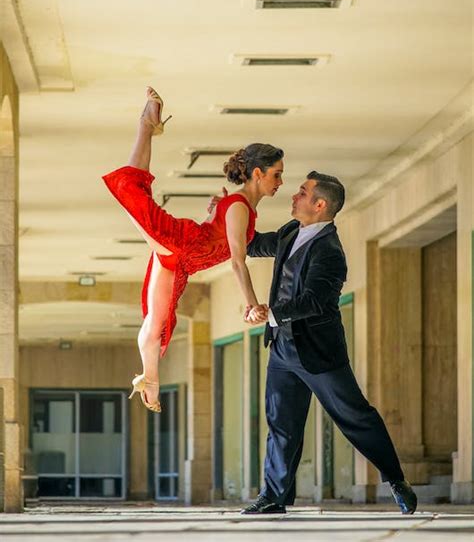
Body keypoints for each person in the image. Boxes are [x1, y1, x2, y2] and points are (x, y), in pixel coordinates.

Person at [214, 171, 417, 515]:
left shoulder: (331, 252)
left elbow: (314, 302)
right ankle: (274, 496)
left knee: (355, 416)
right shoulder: (291, 231)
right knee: (282, 423)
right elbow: (250, 243)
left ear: (320, 204)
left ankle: (396, 480)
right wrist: (226, 214)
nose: (294, 195)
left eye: (302, 192)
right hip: (282, 349)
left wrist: (270, 313)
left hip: (319, 353)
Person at [102, 86, 284, 413]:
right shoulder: (241, 206)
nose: (280, 182)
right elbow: (238, 263)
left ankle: (149, 381)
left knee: (157, 321)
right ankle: (146, 125)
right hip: (178, 243)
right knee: (130, 189)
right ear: (258, 174)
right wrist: (251, 304)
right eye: (276, 175)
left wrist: (214, 214)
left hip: (182, 260)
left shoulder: (240, 206)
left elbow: (219, 237)